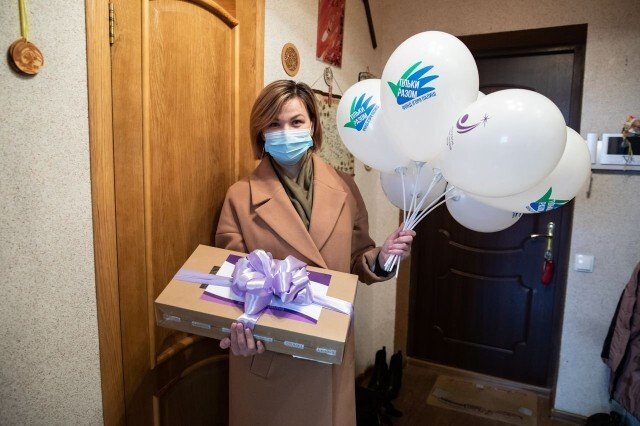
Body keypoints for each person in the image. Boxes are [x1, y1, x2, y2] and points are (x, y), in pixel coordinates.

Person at [215, 80, 415, 425]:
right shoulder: (239, 196)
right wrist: (238, 335)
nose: (285, 132)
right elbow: (230, 283)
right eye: (274, 124)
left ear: (312, 126)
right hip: (269, 354)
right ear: (261, 132)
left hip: (328, 349)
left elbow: (358, 257)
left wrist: (382, 258)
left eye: (296, 122)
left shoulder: (345, 187)